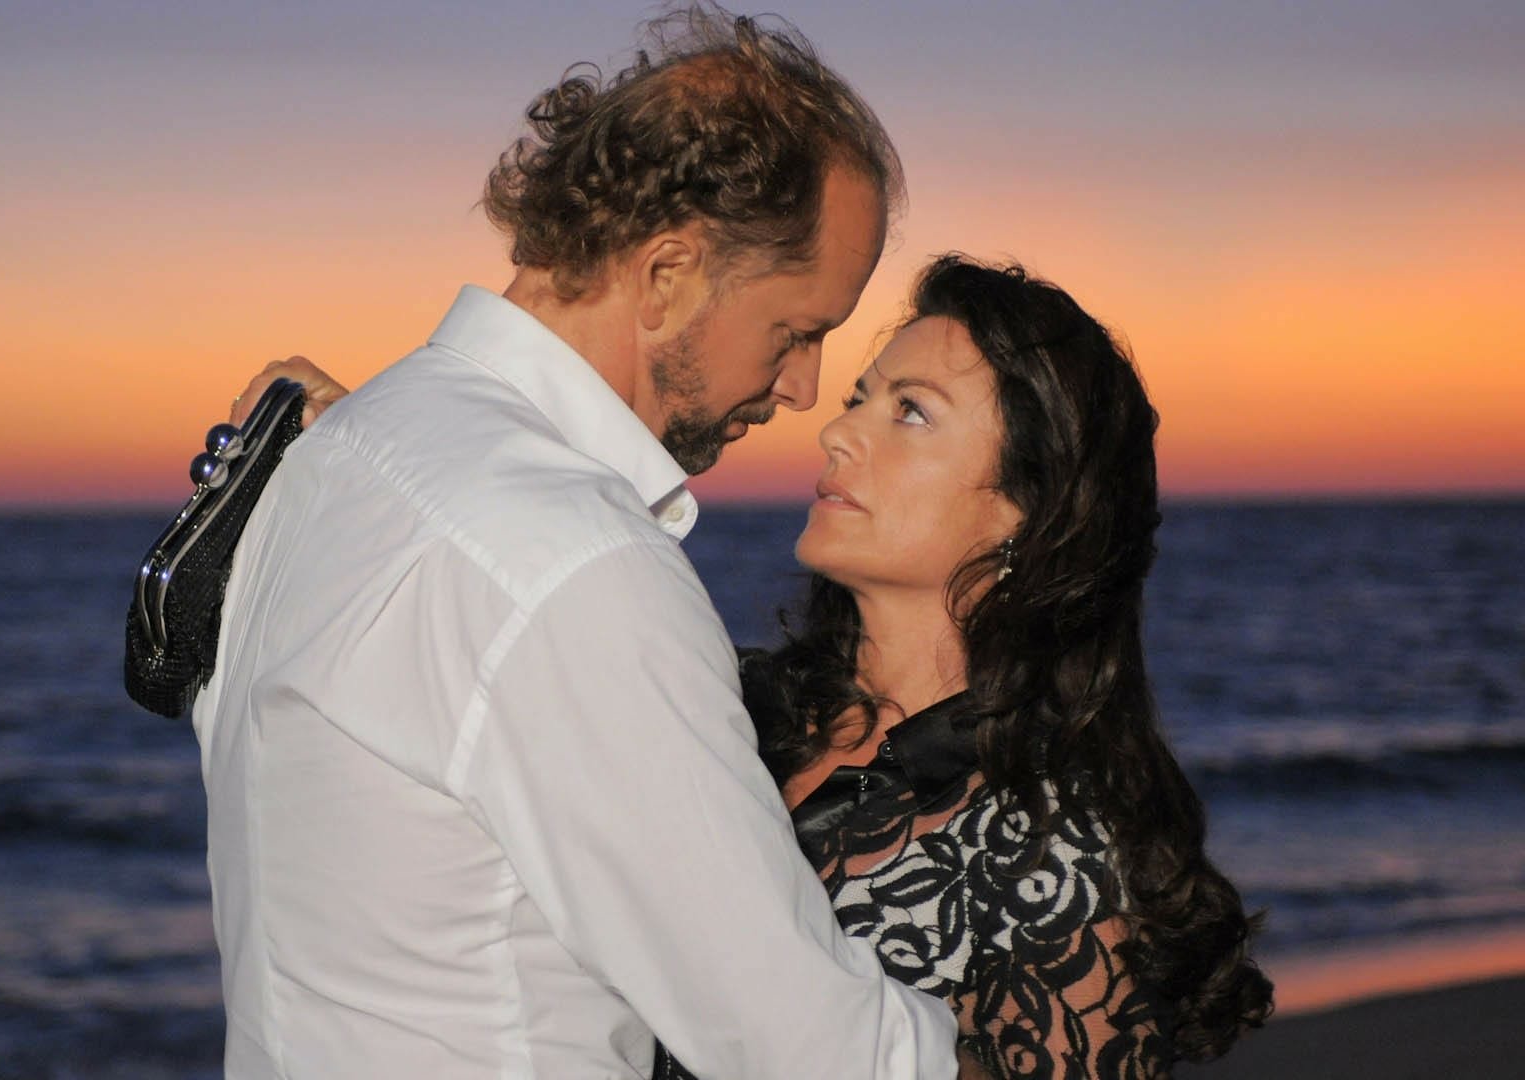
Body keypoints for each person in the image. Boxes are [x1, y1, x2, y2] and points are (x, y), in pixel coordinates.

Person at [237, 257, 1275, 1079]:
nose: (839, 430)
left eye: (909, 411)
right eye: (861, 396)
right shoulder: (732, 706)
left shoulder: (1053, 851)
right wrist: (387, 463)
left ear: (1026, 513)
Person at [191, 7, 962, 1079]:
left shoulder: (329, 462)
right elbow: (805, 1048)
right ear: (668, 275)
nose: (802, 389)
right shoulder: (571, 567)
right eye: (796, 333)